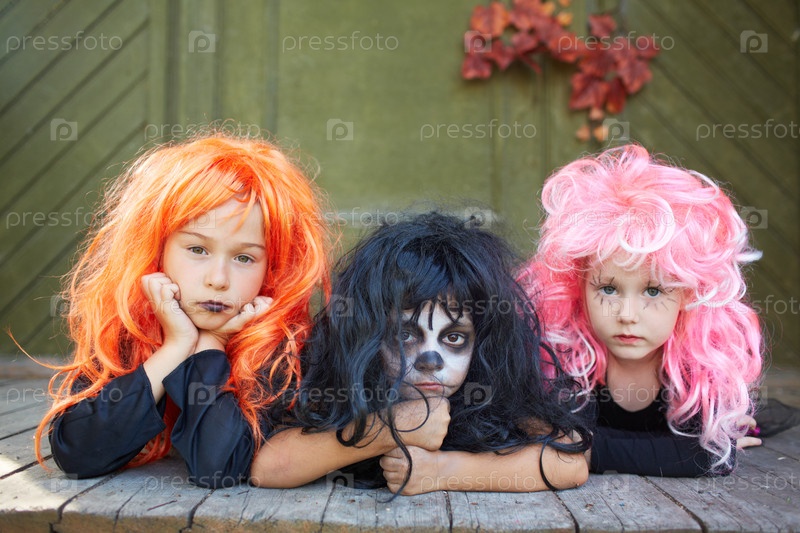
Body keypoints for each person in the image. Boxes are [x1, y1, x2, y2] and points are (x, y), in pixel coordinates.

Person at [34, 134, 331, 488]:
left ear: (271, 269)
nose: (218, 279)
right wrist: (175, 347)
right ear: (157, 248)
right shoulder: (126, 325)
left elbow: (218, 465)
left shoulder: (281, 345)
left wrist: (211, 343)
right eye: (197, 250)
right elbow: (78, 452)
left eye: (244, 258)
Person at [251, 212, 591, 495]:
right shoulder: (344, 393)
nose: (431, 361)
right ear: (370, 337)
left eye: (454, 338)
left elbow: (570, 463)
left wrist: (443, 471)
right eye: (405, 335)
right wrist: (391, 427)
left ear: (482, 342)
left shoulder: (491, 398)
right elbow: (268, 468)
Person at [517, 144, 763, 477]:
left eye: (653, 290)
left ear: (688, 294)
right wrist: (687, 452)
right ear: (578, 288)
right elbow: (549, 439)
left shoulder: (699, 371)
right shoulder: (565, 360)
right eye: (608, 289)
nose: (628, 314)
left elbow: (706, 456)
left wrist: (582, 448)